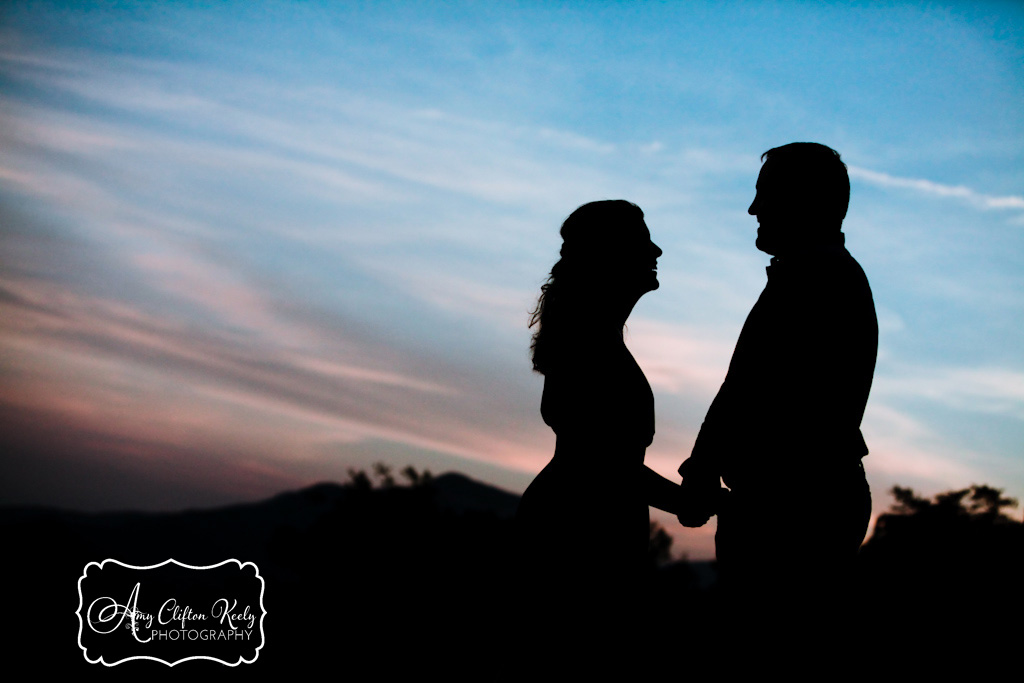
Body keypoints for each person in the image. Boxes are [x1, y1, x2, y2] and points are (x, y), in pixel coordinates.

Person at [677, 143, 878, 622]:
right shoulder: (813, 277)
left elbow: (752, 392)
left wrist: (705, 470)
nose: (753, 209)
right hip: (791, 503)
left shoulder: (820, 282)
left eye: (764, 194)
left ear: (801, 201)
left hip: (794, 512)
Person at [514, 200, 682, 655]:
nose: (658, 250)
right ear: (611, 255)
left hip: (590, 527)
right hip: (576, 537)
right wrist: (681, 499)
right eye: (643, 241)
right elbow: (602, 464)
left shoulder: (597, 336)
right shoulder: (589, 345)